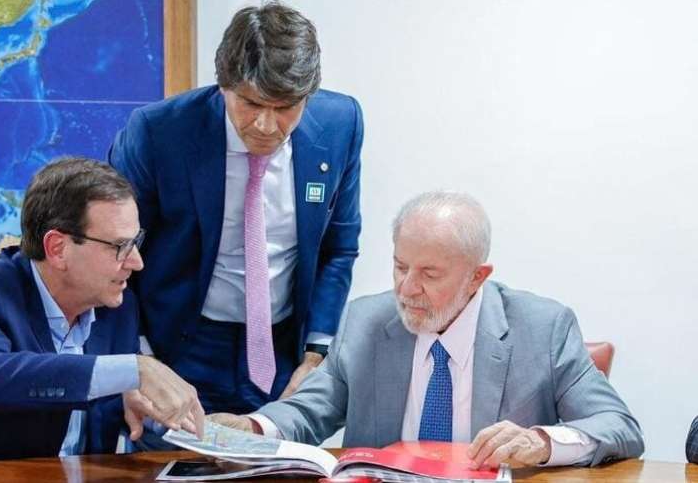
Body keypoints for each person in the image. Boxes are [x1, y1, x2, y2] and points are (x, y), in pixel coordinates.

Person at [211, 191, 645, 468]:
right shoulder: (367, 320)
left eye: (430, 274)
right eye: (400, 266)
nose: (407, 288)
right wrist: (252, 428)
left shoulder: (542, 328)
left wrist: (542, 442)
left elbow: (620, 426)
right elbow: (309, 410)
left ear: (478, 276)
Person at [108, 1, 363, 413]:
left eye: (284, 108)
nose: (266, 125)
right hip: (179, 345)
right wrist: (139, 362)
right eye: (250, 104)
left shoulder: (341, 124)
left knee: (280, 472)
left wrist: (317, 351)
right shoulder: (159, 132)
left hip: (282, 349)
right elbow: (115, 254)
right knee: (175, 470)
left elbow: (339, 247)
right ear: (223, 85)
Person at [0, 158, 204, 465]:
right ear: (58, 248)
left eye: (136, 242)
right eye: (120, 246)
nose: (137, 262)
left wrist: (151, 411)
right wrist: (135, 370)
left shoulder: (117, 307)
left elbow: (103, 409)